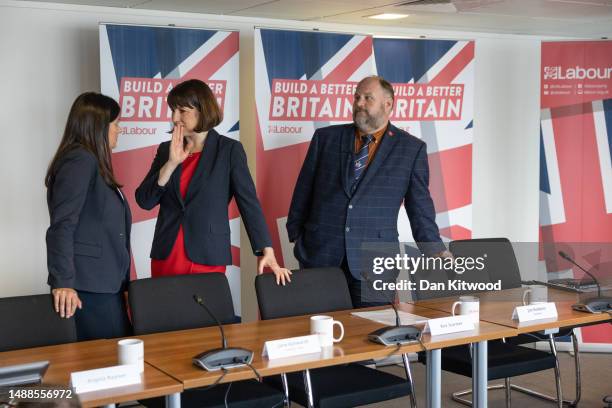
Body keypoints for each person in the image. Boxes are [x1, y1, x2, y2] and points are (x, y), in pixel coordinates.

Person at [287, 75, 448, 308]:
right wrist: (297, 236)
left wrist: (435, 251)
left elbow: (420, 209)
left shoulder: (411, 150)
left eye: (367, 98)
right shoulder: (326, 139)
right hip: (320, 256)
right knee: (319, 337)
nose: (359, 103)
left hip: (375, 264)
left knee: (373, 335)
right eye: (357, 97)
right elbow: (303, 191)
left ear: (388, 104)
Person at [136, 79, 291, 285]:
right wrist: (171, 164)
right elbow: (144, 201)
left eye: (182, 111)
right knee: (166, 314)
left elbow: (249, 203)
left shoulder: (229, 151)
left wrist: (266, 249)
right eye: (172, 110)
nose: (175, 118)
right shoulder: (167, 150)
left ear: (202, 110)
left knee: (206, 315)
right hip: (167, 253)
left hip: (207, 254)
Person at [45, 92, 132, 340]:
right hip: (88, 287)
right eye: (116, 124)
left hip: (107, 284)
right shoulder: (80, 160)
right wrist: (62, 281)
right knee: (104, 366)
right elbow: (62, 225)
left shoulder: (93, 161)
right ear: (99, 127)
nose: (119, 130)